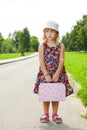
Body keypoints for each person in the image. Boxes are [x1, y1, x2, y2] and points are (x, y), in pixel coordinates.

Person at [33, 21, 74, 123]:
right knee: (46, 95)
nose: (49, 33)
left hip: (57, 73)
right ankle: (45, 114)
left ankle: (55, 114)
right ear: (44, 33)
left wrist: (57, 74)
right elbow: (41, 61)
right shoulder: (42, 46)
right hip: (45, 73)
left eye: (52, 31)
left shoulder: (61, 46)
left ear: (56, 34)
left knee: (55, 94)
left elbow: (61, 60)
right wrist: (46, 74)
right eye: (47, 31)